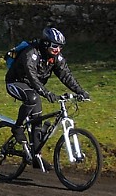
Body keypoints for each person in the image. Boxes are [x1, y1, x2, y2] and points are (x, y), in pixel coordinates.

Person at [5, 26, 90, 167]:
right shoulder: (31, 53)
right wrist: (46, 93)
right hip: (15, 83)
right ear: (46, 43)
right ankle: (17, 128)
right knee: (33, 99)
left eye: (60, 47)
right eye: (55, 46)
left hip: (33, 87)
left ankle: (36, 157)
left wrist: (81, 91)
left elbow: (66, 75)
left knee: (37, 120)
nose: (58, 50)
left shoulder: (55, 57)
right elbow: (32, 76)